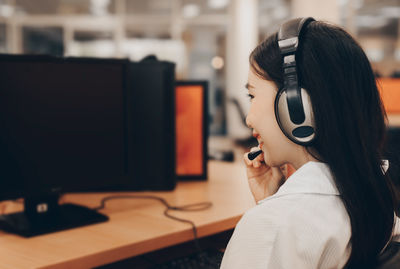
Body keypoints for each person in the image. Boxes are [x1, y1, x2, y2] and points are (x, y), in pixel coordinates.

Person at [220, 17, 400, 269]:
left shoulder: (271, 228)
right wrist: (273, 201)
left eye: (252, 95)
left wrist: (269, 215)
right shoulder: (376, 200)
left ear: (296, 106)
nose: (249, 118)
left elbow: (283, 234)